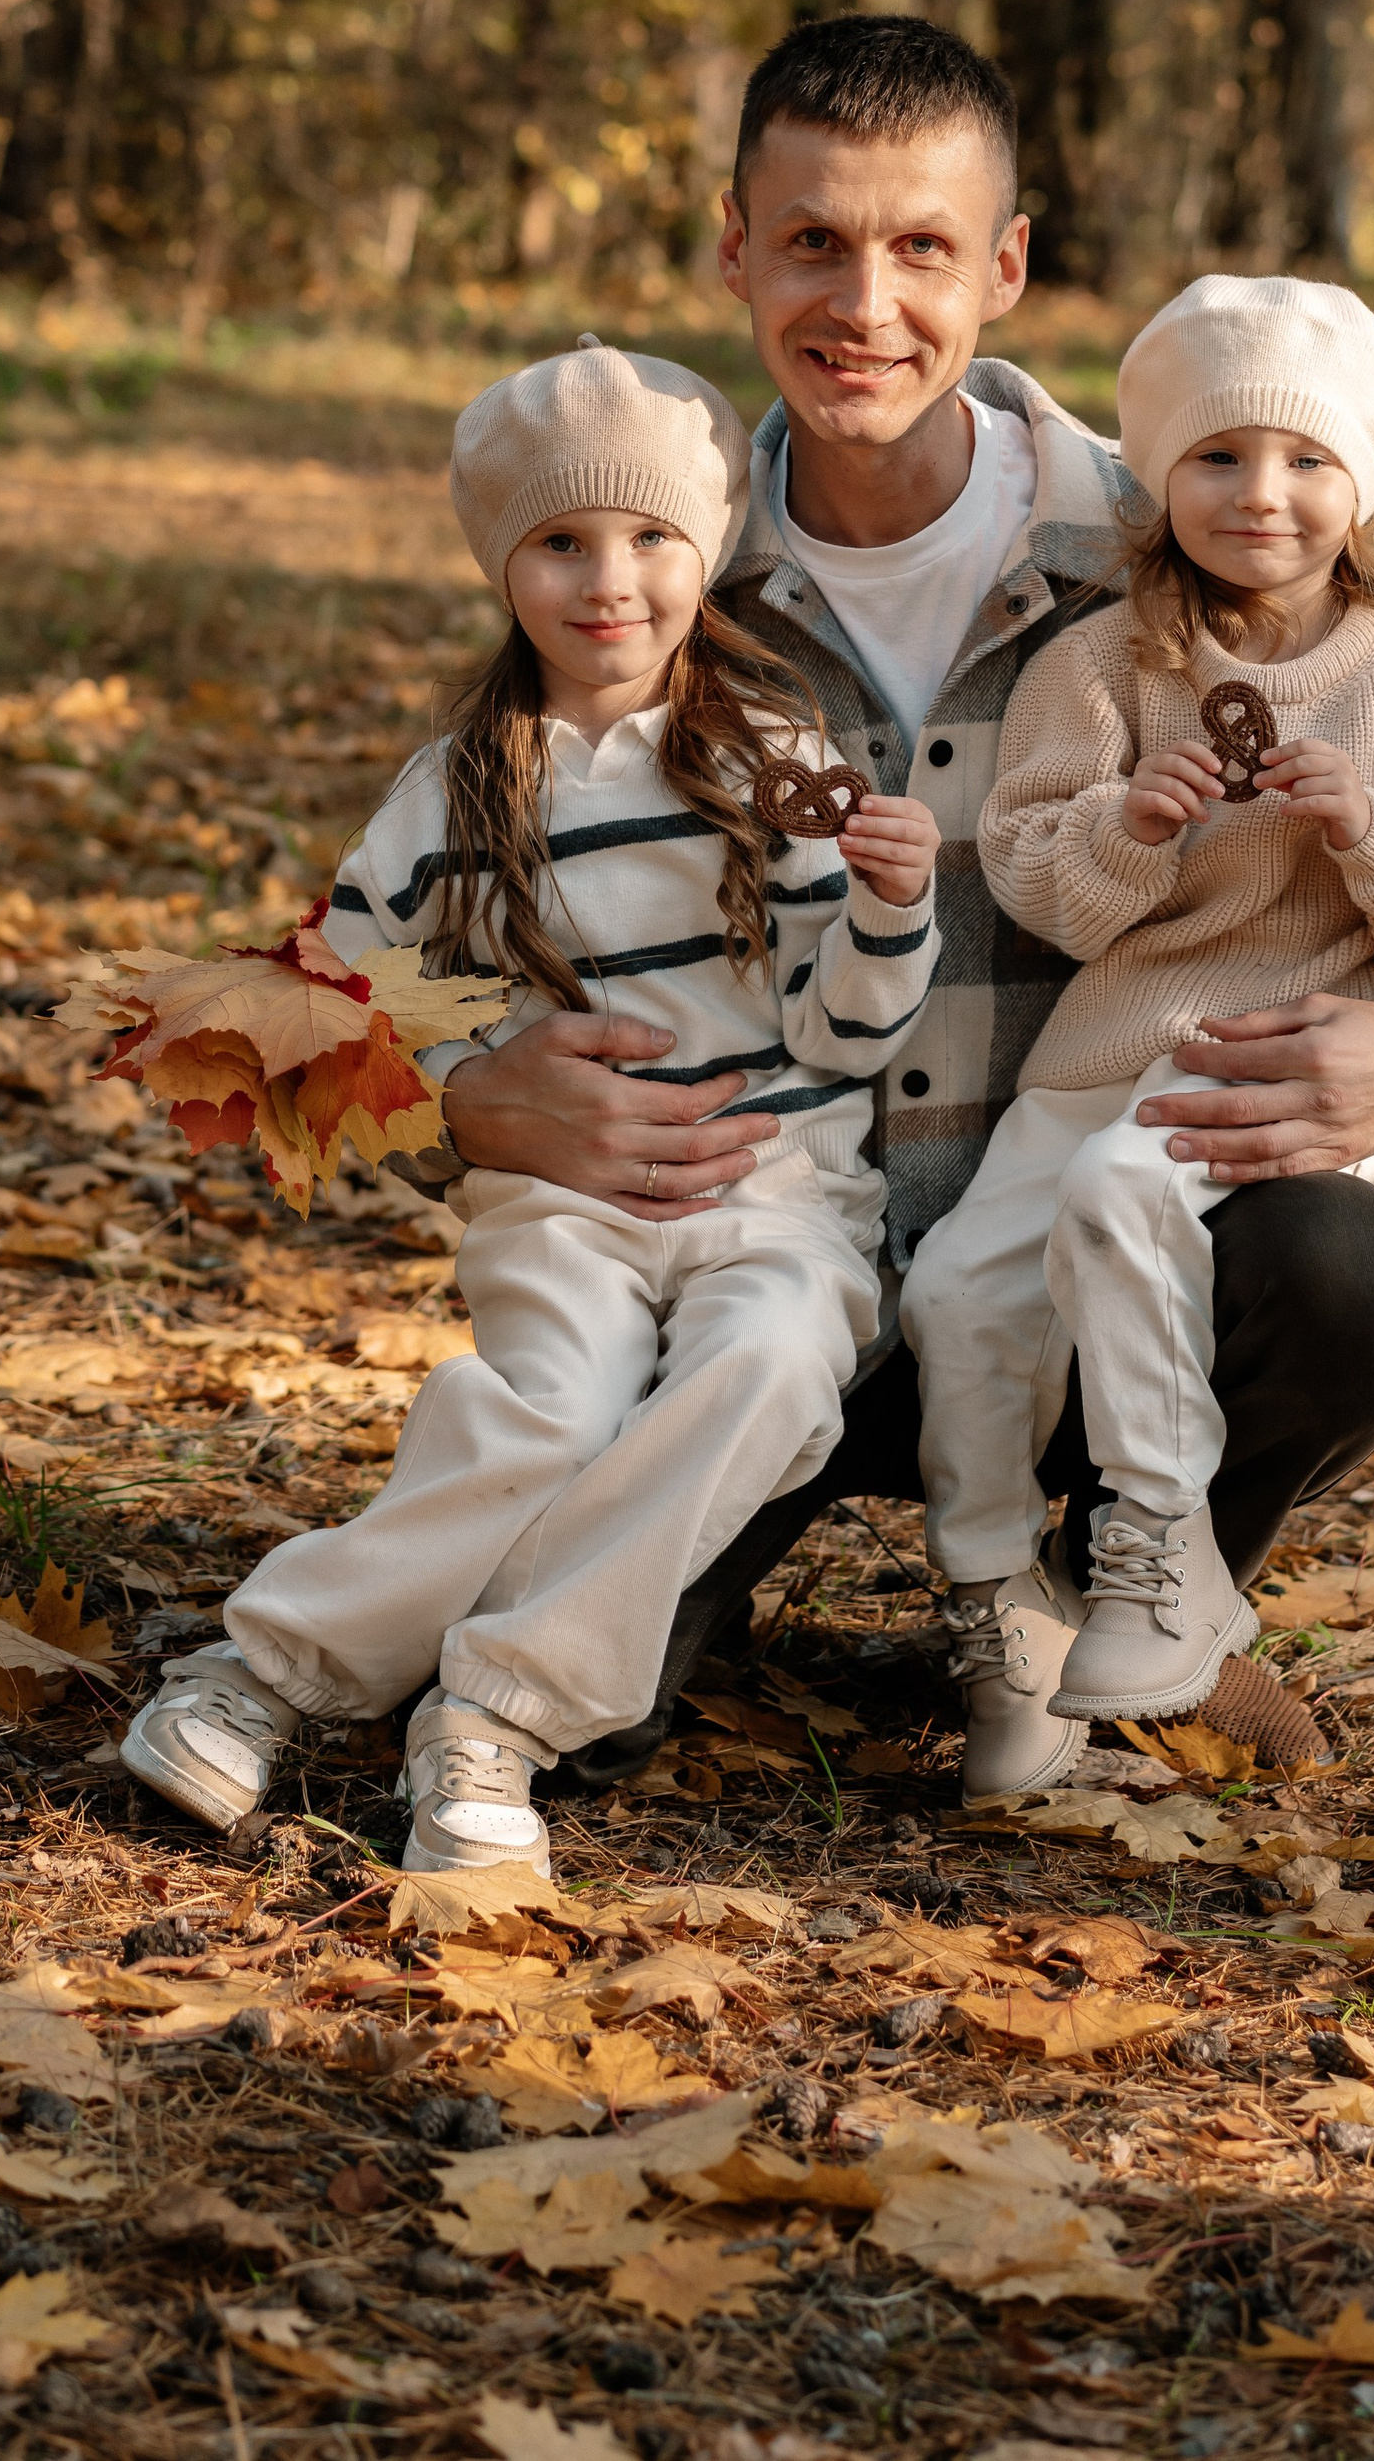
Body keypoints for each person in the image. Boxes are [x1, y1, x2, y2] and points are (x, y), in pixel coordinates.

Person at [409, 16, 1374, 1797]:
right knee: (577, 1724)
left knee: (1338, 1273)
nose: (866, 300)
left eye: (923, 245)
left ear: (1005, 265)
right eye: (812, 241)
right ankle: (711, 1558)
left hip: (1091, 1262)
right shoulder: (644, 562)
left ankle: (1128, 1588)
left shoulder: (1190, 528)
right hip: (760, 1277)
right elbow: (438, 891)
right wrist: (456, 1088)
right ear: (736, 247)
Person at [118, 337, 940, 1865]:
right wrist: (463, 1084)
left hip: (776, 1186)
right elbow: (342, 1002)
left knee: (769, 1369)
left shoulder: (775, 760)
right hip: (564, 1200)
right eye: (561, 542)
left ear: (708, 552)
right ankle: (265, 1672)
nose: (608, 579)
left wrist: (892, 909)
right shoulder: (452, 792)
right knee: (546, 1409)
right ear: (506, 566)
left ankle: (497, 1711)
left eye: (649, 539)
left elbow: (849, 1020)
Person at [900, 275, 1374, 1767]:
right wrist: (1134, 825)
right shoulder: (1107, 664)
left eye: (1307, 460)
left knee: (1133, 1191)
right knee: (956, 1296)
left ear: (1365, 485)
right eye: (1219, 456)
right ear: (1161, 476)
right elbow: (1045, 887)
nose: (1263, 494)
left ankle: (1155, 1546)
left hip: (1279, 1061)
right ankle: (1008, 1604)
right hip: (1105, 1050)